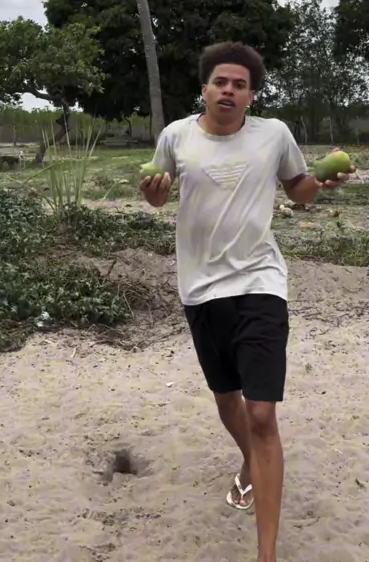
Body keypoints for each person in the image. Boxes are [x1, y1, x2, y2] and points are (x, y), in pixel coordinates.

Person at [140, 41, 355, 562]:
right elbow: (158, 194)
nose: (229, 91)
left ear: (252, 95)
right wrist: (153, 191)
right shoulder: (176, 136)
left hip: (261, 281)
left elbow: (298, 190)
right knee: (227, 400)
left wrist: (324, 180)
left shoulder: (274, 134)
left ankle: (267, 554)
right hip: (200, 287)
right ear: (205, 89)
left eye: (240, 84)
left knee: (261, 413)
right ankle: (250, 462)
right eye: (221, 82)